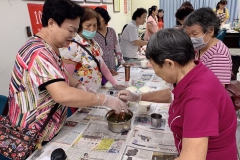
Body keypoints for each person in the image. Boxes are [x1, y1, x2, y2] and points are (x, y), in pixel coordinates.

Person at [6, 0, 127, 155]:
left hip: (49, 129)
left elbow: (61, 72)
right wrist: (104, 100)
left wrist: (77, 84)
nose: (74, 36)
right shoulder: (39, 53)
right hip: (33, 136)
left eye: (76, 31)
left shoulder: (49, 47)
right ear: (51, 23)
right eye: (71, 30)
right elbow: (62, 94)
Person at [118, 28, 238, 160]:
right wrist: (139, 97)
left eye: (154, 66)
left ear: (169, 63)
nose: (156, 73)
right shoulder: (192, 71)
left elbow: (192, 158)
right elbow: (172, 94)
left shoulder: (198, 99)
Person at [61, 7, 126, 91]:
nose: (92, 29)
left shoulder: (93, 43)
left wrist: (114, 83)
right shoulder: (71, 46)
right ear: (79, 25)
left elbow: (102, 66)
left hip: (97, 91)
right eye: (88, 25)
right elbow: (67, 77)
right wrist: (83, 89)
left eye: (95, 25)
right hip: (82, 96)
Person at [183, 7, 232, 86]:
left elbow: (217, 89)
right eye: (188, 34)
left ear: (211, 30)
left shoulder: (218, 55)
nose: (191, 38)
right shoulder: (200, 47)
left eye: (195, 34)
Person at [94, 7, 124, 75]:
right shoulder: (93, 34)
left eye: (99, 18)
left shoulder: (111, 31)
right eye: (95, 19)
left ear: (105, 18)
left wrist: (122, 62)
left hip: (113, 67)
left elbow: (117, 49)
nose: (97, 21)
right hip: (100, 70)